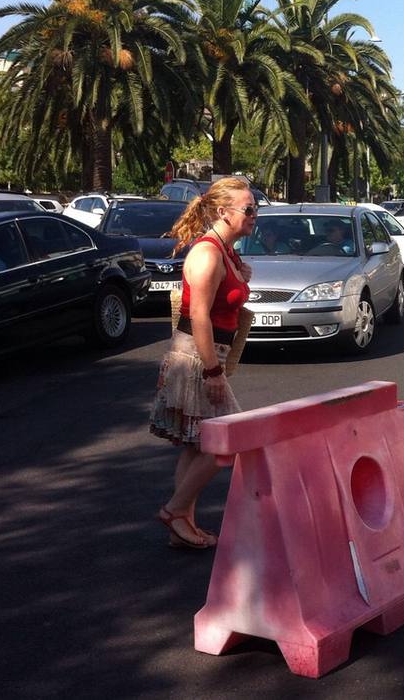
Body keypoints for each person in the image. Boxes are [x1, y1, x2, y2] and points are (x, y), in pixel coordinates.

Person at [149, 177, 255, 549]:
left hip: (207, 354)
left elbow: (226, 303)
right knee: (227, 441)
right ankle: (175, 511)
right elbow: (199, 316)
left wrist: (242, 279)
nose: (254, 215)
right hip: (197, 357)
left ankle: (183, 526)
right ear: (223, 212)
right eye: (249, 209)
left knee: (196, 446)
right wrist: (212, 371)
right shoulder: (209, 253)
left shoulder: (227, 251)